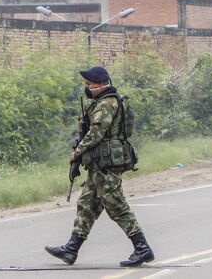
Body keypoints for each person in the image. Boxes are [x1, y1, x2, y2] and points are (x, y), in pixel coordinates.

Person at [45, 66, 155, 267]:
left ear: (101, 84)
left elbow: (96, 133)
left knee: (116, 206)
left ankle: (142, 248)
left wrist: (76, 153)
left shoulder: (107, 103)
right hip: (99, 164)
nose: (87, 87)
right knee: (87, 204)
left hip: (106, 164)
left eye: (90, 84)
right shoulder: (102, 101)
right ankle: (71, 249)